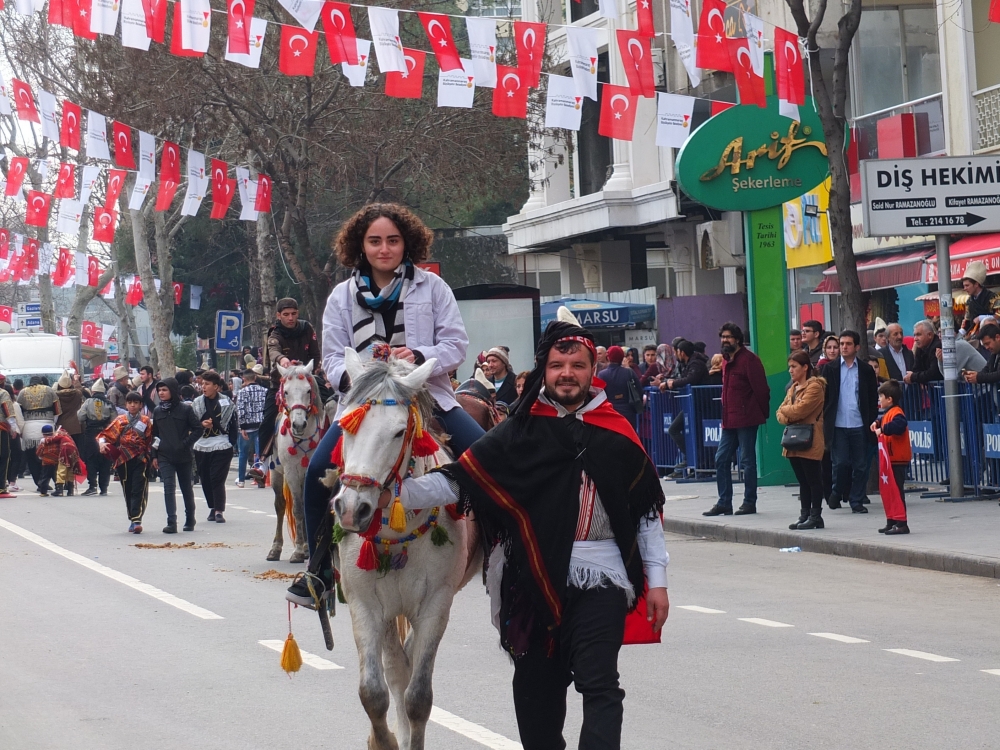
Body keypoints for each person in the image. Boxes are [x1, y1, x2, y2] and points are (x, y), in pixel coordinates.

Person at [391, 317, 669, 750]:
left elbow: (646, 514)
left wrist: (659, 582)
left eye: (577, 365)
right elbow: (462, 480)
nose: (567, 374)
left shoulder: (616, 431)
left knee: (601, 685)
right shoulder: (519, 431)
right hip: (531, 578)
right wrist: (394, 492)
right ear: (545, 369)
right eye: (558, 364)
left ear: (591, 369)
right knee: (537, 692)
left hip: (603, 577)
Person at [287, 202, 485, 606]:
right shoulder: (342, 296)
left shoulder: (434, 288)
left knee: (492, 461)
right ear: (360, 245)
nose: (384, 249)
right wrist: (358, 378)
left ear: (406, 243)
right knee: (314, 477)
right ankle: (319, 572)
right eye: (375, 241)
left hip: (428, 396)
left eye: (392, 240)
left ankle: (506, 558)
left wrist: (416, 354)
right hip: (361, 406)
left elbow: (456, 345)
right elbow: (331, 359)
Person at [703, 323, 770, 517]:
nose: (725, 340)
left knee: (747, 461)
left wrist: (760, 414)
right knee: (721, 459)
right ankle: (724, 502)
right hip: (729, 419)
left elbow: (762, 390)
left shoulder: (749, 360)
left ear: (738, 339)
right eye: (723, 336)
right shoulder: (725, 360)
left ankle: (749, 502)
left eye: (729, 337)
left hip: (747, 418)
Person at [256, 298, 324, 459]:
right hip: (281, 383)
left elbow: (315, 354)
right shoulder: (275, 333)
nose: (291, 318)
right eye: (286, 314)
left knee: (334, 405)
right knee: (267, 421)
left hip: (308, 381)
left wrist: (310, 371)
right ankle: (262, 462)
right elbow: (273, 350)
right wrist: (282, 360)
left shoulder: (307, 328)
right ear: (278, 315)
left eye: (294, 314)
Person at [821, 330, 879, 513]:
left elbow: (871, 397)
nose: (844, 347)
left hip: (859, 423)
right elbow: (826, 397)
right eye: (842, 344)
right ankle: (837, 491)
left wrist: (871, 420)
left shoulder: (865, 370)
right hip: (838, 424)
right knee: (841, 463)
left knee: (861, 465)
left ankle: (856, 500)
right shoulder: (829, 369)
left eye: (848, 344)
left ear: (857, 347)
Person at [776, 351, 827, 530]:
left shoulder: (815, 387)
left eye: (794, 367)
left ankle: (816, 516)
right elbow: (779, 413)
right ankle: (804, 514)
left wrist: (789, 413)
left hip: (810, 438)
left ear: (805, 367)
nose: (790, 370)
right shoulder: (793, 388)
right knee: (802, 480)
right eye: (789, 367)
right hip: (794, 439)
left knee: (813, 479)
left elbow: (800, 411)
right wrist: (790, 414)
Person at [151, 378, 201, 533]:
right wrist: (154, 455)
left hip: (183, 455)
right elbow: (155, 435)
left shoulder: (185, 410)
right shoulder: (158, 411)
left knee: (186, 488)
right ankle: (171, 522)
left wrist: (185, 443)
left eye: (165, 390)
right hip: (164, 455)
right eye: (159, 390)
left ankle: (190, 519)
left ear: (173, 391)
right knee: (168, 487)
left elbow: (198, 429)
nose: (161, 393)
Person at [99, 392, 153, 533]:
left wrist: (152, 457)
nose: (133, 405)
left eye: (136, 402)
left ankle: (137, 520)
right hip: (123, 458)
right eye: (130, 403)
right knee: (127, 488)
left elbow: (150, 441)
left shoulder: (146, 421)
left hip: (141, 458)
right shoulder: (120, 420)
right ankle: (132, 517)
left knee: (138, 489)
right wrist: (102, 444)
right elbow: (105, 436)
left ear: (141, 405)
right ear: (126, 404)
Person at [192, 371, 238, 523]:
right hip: (202, 445)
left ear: (216, 387)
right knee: (205, 478)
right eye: (202, 384)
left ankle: (219, 510)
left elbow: (233, 423)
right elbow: (191, 425)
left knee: (217, 478)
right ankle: (212, 506)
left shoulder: (227, 403)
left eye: (207, 384)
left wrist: (232, 443)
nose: (203, 387)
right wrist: (201, 425)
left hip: (222, 444)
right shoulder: (197, 403)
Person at [662, 340, 709, 478]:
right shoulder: (688, 364)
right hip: (691, 405)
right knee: (679, 431)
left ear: (682, 352)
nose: (676, 355)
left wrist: (673, 383)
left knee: (675, 429)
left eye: (677, 352)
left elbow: (690, 379)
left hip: (698, 404)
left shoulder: (696, 364)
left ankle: (693, 460)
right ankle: (692, 461)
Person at [872, 380, 910, 535]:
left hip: (897, 459)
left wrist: (883, 429)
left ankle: (902, 523)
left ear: (889, 399)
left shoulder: (897, 413)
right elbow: (882, 420)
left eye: (881, 396)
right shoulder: (888, 413)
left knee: (896, 491)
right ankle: (892, 520)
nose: (879, 400)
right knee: (888, 491)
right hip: (890, 460)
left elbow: (899, 426)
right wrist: (876, 423)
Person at [17, 376, 61, 494]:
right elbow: (57, 411)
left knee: (32, 458)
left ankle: (39, 483)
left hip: (29, 428)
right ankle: (50, 481)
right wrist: (53, 424)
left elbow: (19, 412)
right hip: (47, 425)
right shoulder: (49, 390)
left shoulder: (22, 392)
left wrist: (21, 429)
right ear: (41, 382)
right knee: (50, 456)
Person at [77, 379, 115, 496]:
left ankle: (92, 486)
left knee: (91, 459)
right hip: (105, 434)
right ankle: (104, 488)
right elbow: (114, 420)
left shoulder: (88, 402)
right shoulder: (109, 403)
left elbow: (80, 416)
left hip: (91, 433)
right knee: (105, 460)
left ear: (93, 391)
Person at [53, 371, 84, 495]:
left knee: (62, 457)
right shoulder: (77, 394)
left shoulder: (56, 395)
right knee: (73, 457)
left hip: (62, 429)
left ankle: (61, 483)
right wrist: (76, 380)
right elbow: (80, 389)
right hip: (76, 427)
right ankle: (70, 485)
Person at [235, 369, 267, 487]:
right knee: (260, 454)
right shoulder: (265, 391)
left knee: (243, 454)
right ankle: (260, 479)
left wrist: (242, 427)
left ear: (244, 378)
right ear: (255, 378)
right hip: (261, 425)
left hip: (247, 427)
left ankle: (241, 480)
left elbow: (240, 410)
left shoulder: (242, 392)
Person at [598, 345, 642, 425]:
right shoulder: (629, 372)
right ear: (622, 358)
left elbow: (598, 396)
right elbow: (639, 390)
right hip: (628, 412)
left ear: (608, 357)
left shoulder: (602, 375)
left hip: (610, 413)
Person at [37, 424, 82, 497]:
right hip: (72, 452)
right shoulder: (64, 437)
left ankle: (56, 491)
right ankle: (70, 490)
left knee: (58, 473)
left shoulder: (50, 440)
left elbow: (39, 452)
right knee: (69, 470)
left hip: (49, 462)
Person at [960, 260, 1000, 337]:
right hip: (974, 335)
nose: (965, 288)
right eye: (964, 286)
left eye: (967, 285)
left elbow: (998, 316)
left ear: (976, 284)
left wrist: (982, 318)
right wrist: (959, 334)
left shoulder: (993, 297)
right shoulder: (969, 301)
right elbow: (967, 321)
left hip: (992, 336)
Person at [0, 381, 16, 498]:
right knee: (3, 456)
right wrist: (13, 428)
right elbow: (7, 410)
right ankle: (1, 487)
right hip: (1, 428)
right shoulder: (3, 393)